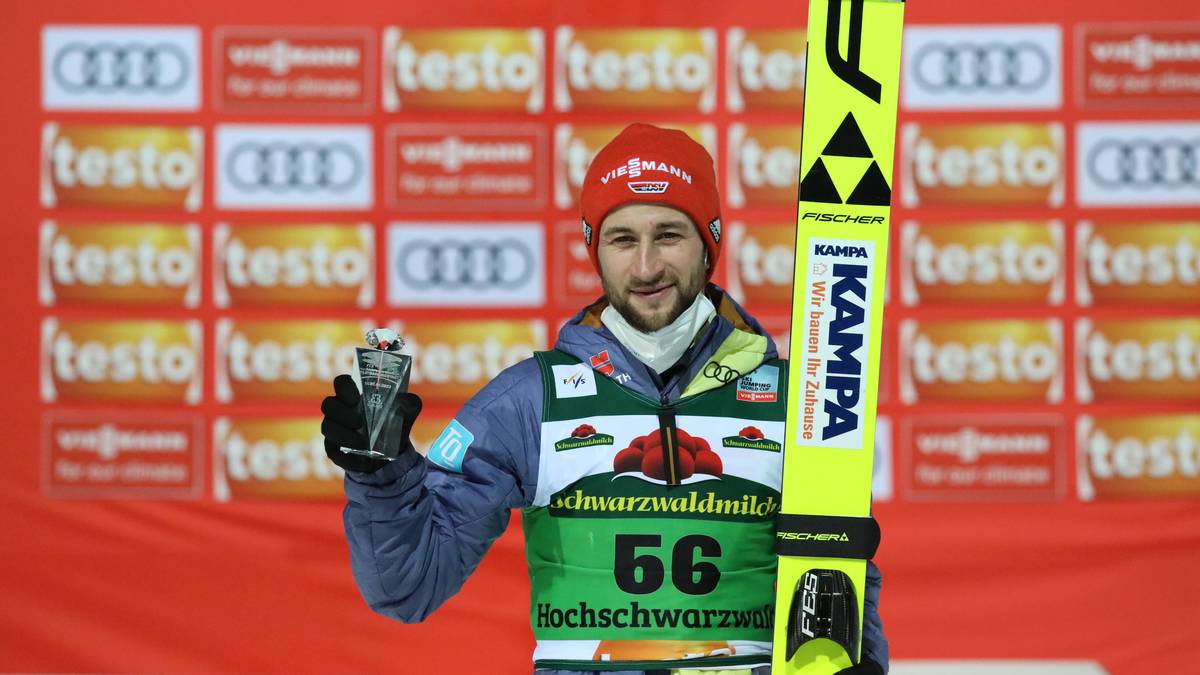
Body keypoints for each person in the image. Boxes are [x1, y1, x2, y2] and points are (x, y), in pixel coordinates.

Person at [321, 123, 889, 675]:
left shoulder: (797, 401)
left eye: (668, 234)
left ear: (708, 245)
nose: (645, 267)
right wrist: (382, 477)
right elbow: (409, 586)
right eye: (623, 239)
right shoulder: (531, 401)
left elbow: (842, 584)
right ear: (596, 251)